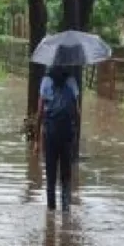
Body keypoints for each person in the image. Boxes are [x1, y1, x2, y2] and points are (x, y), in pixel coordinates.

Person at [34, 54, 80, 211]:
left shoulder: (46, 81)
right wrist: (75, 137)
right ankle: (66, 210)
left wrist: (36, 140)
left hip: (50, 133)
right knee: (66, 175)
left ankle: (51, 212)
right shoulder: (72, 81)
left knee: (51, 176)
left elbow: (40, 112)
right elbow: (76, 112)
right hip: (67, 133)